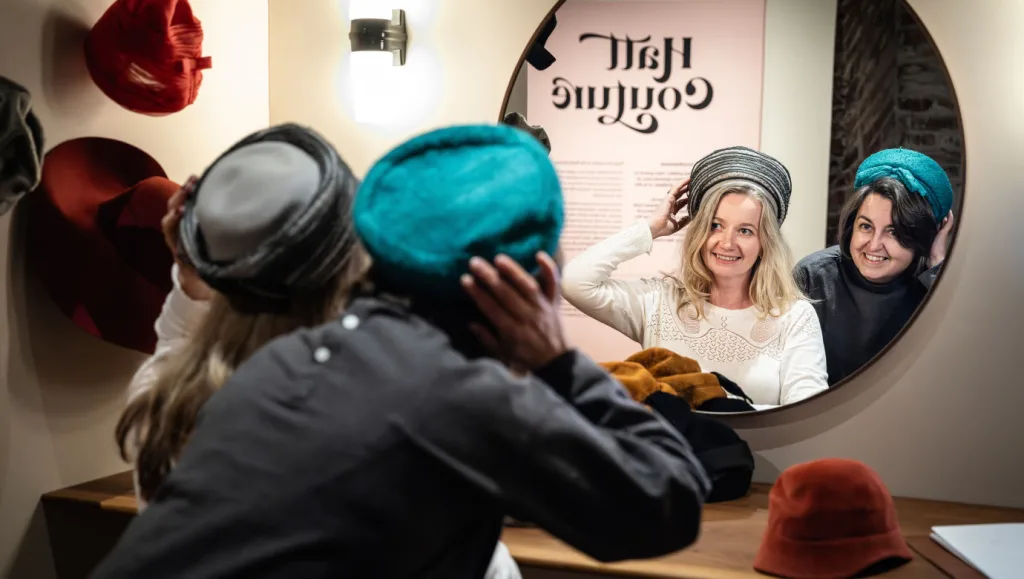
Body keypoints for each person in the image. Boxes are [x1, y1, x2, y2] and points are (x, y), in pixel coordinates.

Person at [91, 124, 711, 579]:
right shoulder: (462, 398)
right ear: (540, 282)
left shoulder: (270, 372)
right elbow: (670, 498)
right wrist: (557, 360)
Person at [113, 123, 522, 579]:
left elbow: (174, 351)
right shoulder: (404, 432)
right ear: (356, 263)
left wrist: (189, 284)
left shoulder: (163, 411)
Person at [561, 146, 828, 410]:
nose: (727, 242)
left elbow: (806, 415)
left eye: (745, 231)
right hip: (665, 453)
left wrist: (720, 406)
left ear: (765, 242)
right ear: (699, 230)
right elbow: (574, 282)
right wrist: (650, 229)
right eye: (715, 225)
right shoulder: (659, 302)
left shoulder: (794, 317)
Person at [794, 148, 955, 385]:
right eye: (866, 227)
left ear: (921, 238)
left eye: (893, 231)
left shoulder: (930, 285)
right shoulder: (812, 276)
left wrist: (937, 265)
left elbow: (958, 364)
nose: (874, 244)